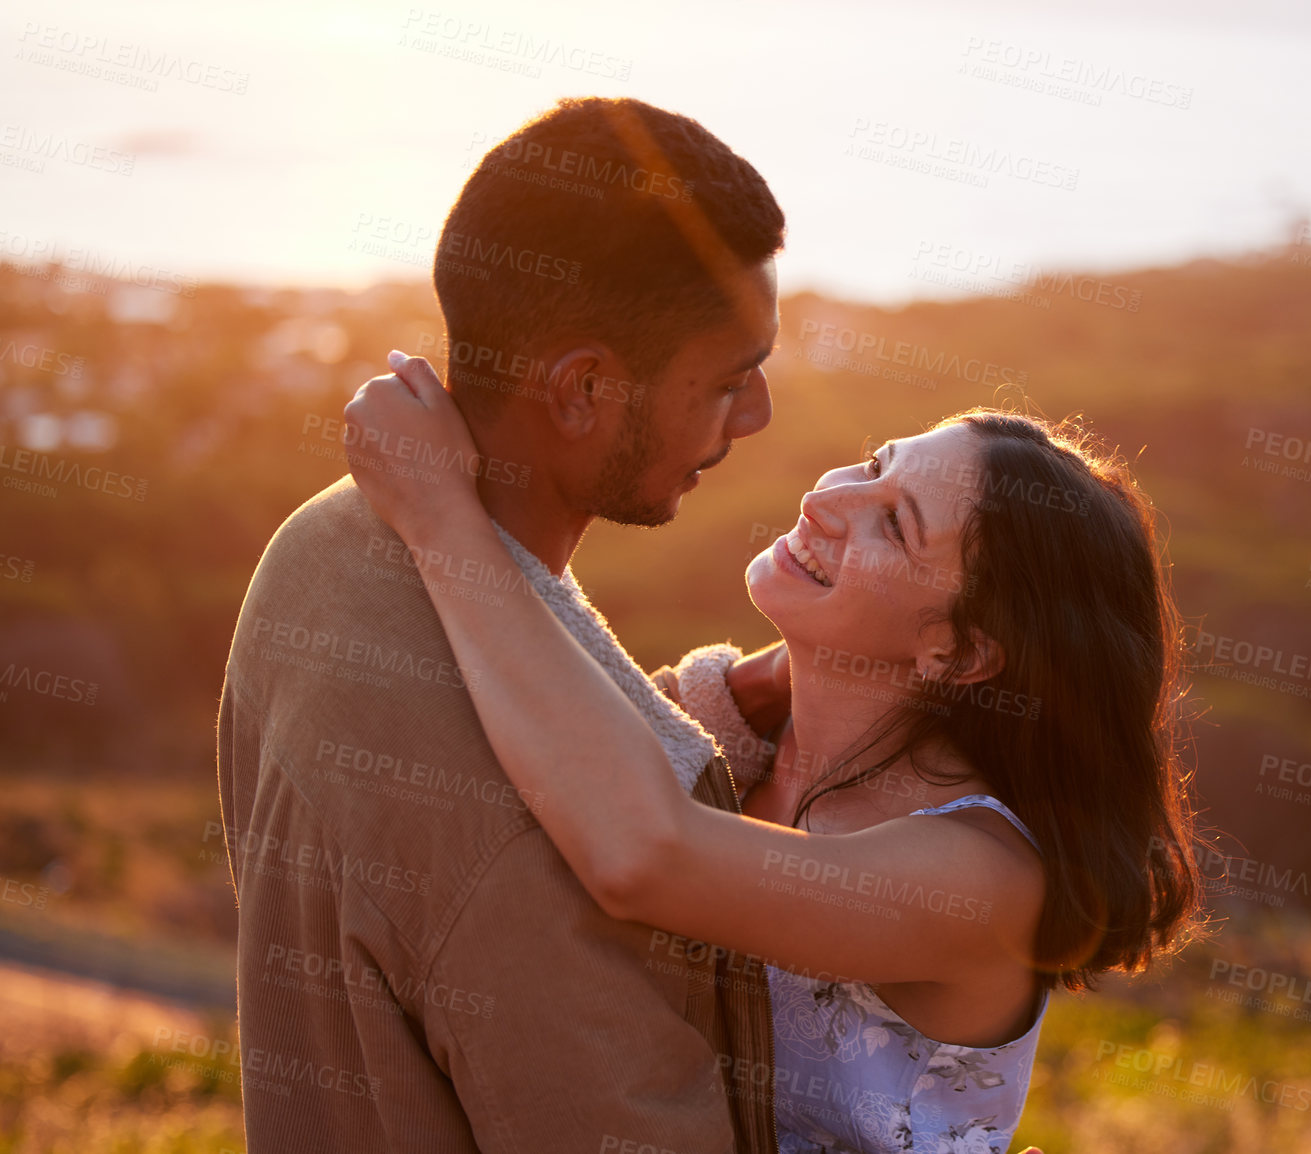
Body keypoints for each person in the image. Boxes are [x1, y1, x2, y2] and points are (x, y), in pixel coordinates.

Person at [340, 350, 1204, 1154]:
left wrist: (440, 515)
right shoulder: (760, 740)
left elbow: (641, 855)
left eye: (893, 525)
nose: (824, 501)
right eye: (873, 464)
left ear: (959, 650)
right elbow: (567, 752)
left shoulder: (982, 877)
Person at [217, 97, 792, 1152]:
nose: (754, 417)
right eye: (726, 381)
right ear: (581, 388)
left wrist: (707, 710)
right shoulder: (543, 819)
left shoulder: (322, 547)